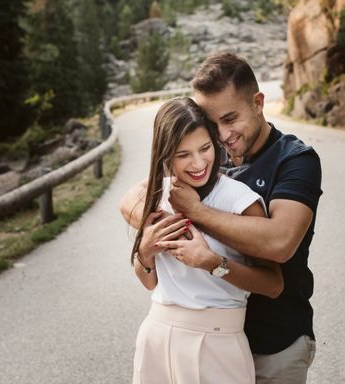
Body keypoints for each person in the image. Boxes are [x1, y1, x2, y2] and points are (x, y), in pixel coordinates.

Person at [121, 53, 323, 384]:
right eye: (213, 124)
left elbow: (280, 243)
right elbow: (131, 199)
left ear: (258, 103)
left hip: (276, 342)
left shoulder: (295, 160)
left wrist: (195, 213)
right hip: (208, 336)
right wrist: (153, 236)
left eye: (231, 119)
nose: (223, 135)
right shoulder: (209, 159)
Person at [128, 96, 283, 384]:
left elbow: (273, 285)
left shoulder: (240, 200)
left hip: (218, 342)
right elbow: (150, 282)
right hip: (157, 335)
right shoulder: (157, 195)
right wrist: (145, 253)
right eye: (183, 154)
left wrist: (213, 263)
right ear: (165, 155)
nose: (198, 163)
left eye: (204, 148)